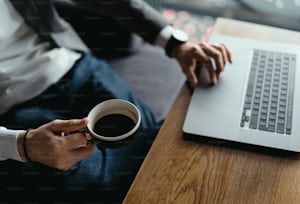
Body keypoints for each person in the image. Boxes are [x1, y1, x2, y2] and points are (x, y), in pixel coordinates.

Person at [0, 0, 232, 202]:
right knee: (99, 178)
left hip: (73, 64)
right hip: (16, 104)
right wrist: (20, 144)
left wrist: (175, 44)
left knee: (156, 139)